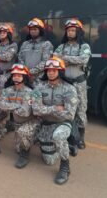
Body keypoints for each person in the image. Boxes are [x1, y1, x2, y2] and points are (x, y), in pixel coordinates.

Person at [32, 56, 78, 185]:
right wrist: (55, 108)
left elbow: (69, 113)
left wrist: (45, 109)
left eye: (54, 70)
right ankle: (66, 146)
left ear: (60, 71)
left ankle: (65, 167)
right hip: (45, 124)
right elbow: (35, 110)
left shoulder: (69, 89)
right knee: (49, 160)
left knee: (58, 136)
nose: (50, 72)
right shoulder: (39, 87)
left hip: (62, 123)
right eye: (48, 70)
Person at [53, 19, 91, 149]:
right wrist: (69, 60)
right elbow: (54, 57)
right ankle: (67, 134)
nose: (70, 32)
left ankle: (80, 137)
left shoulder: (84, 46)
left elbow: (83, 59)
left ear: (78, 32)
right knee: (64, 108)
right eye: (68, 30)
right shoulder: (62, 46)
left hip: (79, 82)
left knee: (80, 109)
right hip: (64, 83)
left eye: (73, 30)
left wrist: (64, 59)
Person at [0, 64, 42, 168]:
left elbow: (25, 112)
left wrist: (10, 106)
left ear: (24, 77)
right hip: (17, 122)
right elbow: (2, 105)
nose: (16, 77)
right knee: (17, 148)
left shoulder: (31, 92)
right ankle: (30, 138)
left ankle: (25, 155)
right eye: (14, 75)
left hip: (31, 121)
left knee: (23, 139)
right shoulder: (7, 91)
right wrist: (18, 105)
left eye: (19, 75)